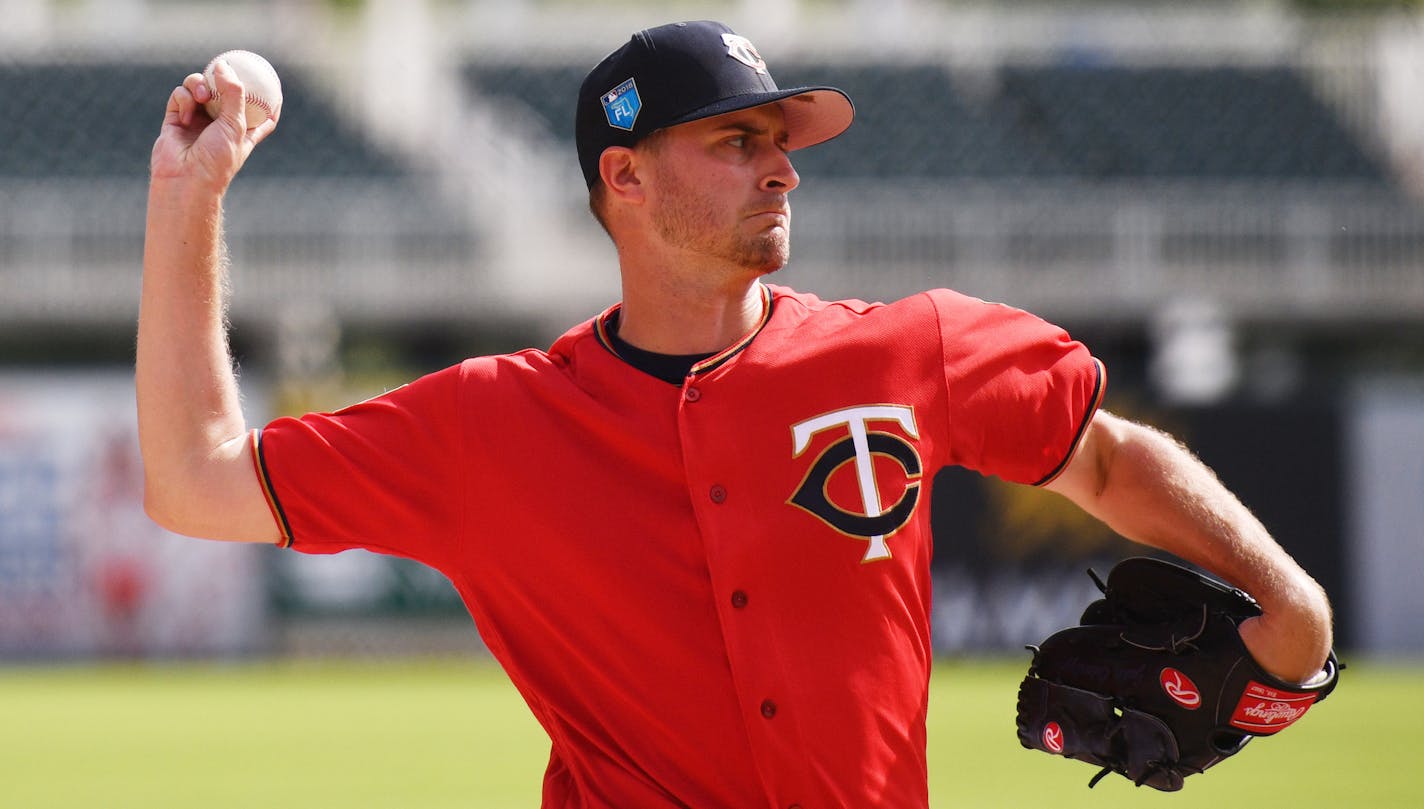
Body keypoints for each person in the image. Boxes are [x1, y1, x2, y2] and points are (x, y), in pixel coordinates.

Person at [138, 20, 1333, 808]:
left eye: (779, 140)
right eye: (737, 139)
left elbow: (1105, 459)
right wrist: (186, 205)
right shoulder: (489, 425)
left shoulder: (905, 346)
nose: (782, 167)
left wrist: (1290, 600)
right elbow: (195, 479)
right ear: (625, 176)